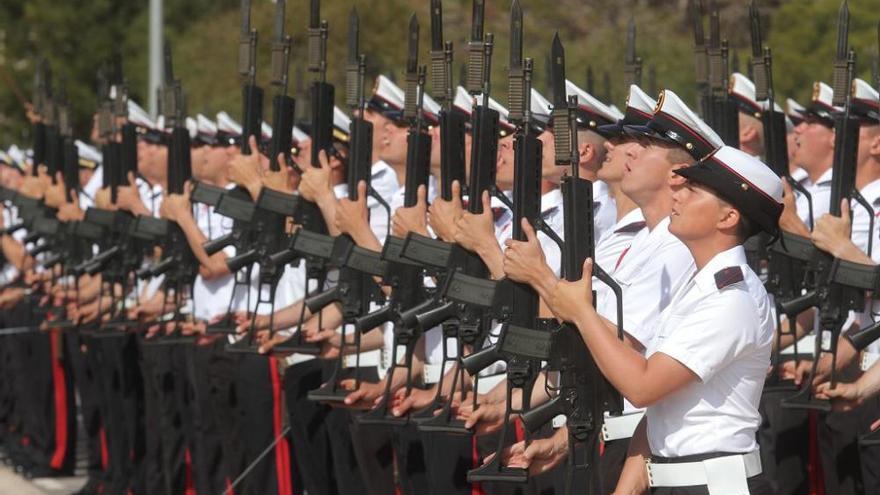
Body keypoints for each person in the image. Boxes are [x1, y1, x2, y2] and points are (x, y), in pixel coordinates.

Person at [547, 145, 781, 494]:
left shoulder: (732, 299)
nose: (678, 195)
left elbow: (643, 387)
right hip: (676, 481)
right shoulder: (699, 287)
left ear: (727, 217)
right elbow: (659, 412)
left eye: (693, 191)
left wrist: (581, 312)